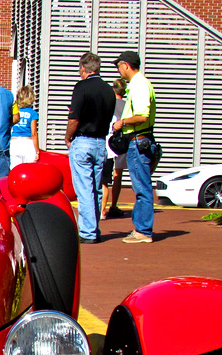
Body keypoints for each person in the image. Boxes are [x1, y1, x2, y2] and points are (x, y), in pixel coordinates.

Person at [64, 52, 115, 244]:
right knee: (96, 187)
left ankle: (88, 231)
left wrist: (68, 137)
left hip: (83, 140)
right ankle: (94, 227)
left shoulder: (82, 88)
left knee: (84, 188)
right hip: (101, 141)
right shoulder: (108, 90)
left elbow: (74, 118)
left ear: (84, 69)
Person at [113, 51, 158, 244]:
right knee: (141, 186)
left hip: (138, 140)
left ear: (126, 65)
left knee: (142, 187)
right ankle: (141, 228)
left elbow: (142, 115)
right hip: (141, 140)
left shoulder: (139, 85)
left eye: (119, 66)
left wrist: (122, 122)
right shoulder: (140, 84)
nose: (119, 71)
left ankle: (143, 230)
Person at [101, 78, 128, 220]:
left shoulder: (109, 104)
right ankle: (114, 204)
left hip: (108, 142)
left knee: (104, 178)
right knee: (118, 174)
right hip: (122, 142)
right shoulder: (127, 105)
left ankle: (102, 209)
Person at [10, 85, 40, 168]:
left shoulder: (15, 112)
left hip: (14, 142)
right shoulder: (32, 113)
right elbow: (34, 133)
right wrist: (37, 150)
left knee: (14, 171)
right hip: (27, 143)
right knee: (30, 171)